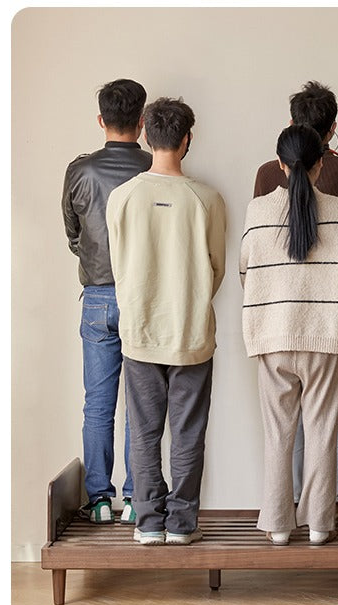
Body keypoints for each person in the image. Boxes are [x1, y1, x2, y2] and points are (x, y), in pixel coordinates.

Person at [106, 97, 226, 545]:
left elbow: (119, 265)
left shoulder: (122, 197)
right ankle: (181, 524)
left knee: (143, 431)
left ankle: (148, 522)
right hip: (190, 332)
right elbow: (215, 268)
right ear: (187, 139)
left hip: (139, 330)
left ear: (145, 133)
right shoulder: (208, 199)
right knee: (188, 433)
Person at [253, 81, 338, 527]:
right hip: (334, 312)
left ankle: (289, 509)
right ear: (333, 128)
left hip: (276, 316)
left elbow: (255, 256)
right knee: (335, 415)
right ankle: (330, 506)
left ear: (289, 126)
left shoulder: (267, 176)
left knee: (282, 422)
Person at [61, 78, 152, 525]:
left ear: (101, 120)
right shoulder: (155, 167)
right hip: (143, 296)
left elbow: (73, 234)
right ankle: (135, 498)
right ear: (142, 120)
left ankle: (99, 500)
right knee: (139, 406)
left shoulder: (79, 172)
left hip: (97, 297)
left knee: (97, 404)